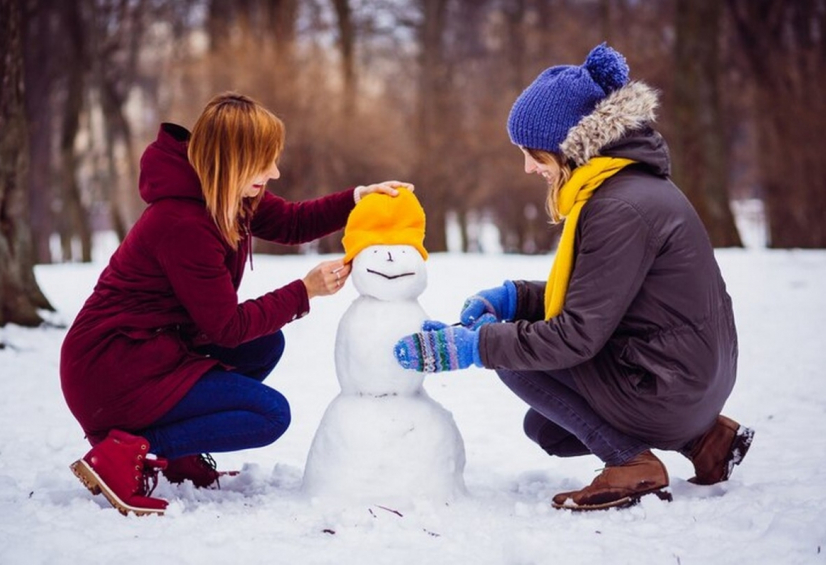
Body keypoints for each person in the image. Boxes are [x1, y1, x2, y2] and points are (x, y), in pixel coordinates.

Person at [394, 43, 754, 511]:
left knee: (511, 354)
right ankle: (706, 441)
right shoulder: (630, 187)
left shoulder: (619, 207)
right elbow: (606, 298)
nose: (528, 167)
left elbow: (575, 336)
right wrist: (513, 298)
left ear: (570, 145)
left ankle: (632, 464)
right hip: (689, 379)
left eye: (535, 154)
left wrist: (475, 346)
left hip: (669, 386)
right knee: (546, 429)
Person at [61, 92, 412, 516]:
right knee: (268, 414)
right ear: (234, 161)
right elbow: (225, 328)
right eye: (266, 162)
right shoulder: (182, 224)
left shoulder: (227, 197)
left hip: (151, 349)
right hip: (112, 369)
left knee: (266, 345)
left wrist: (358, 197)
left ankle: (177, 458)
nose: (276, 172)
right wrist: (305, 291)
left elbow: (292, 221)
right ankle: (131, 454)